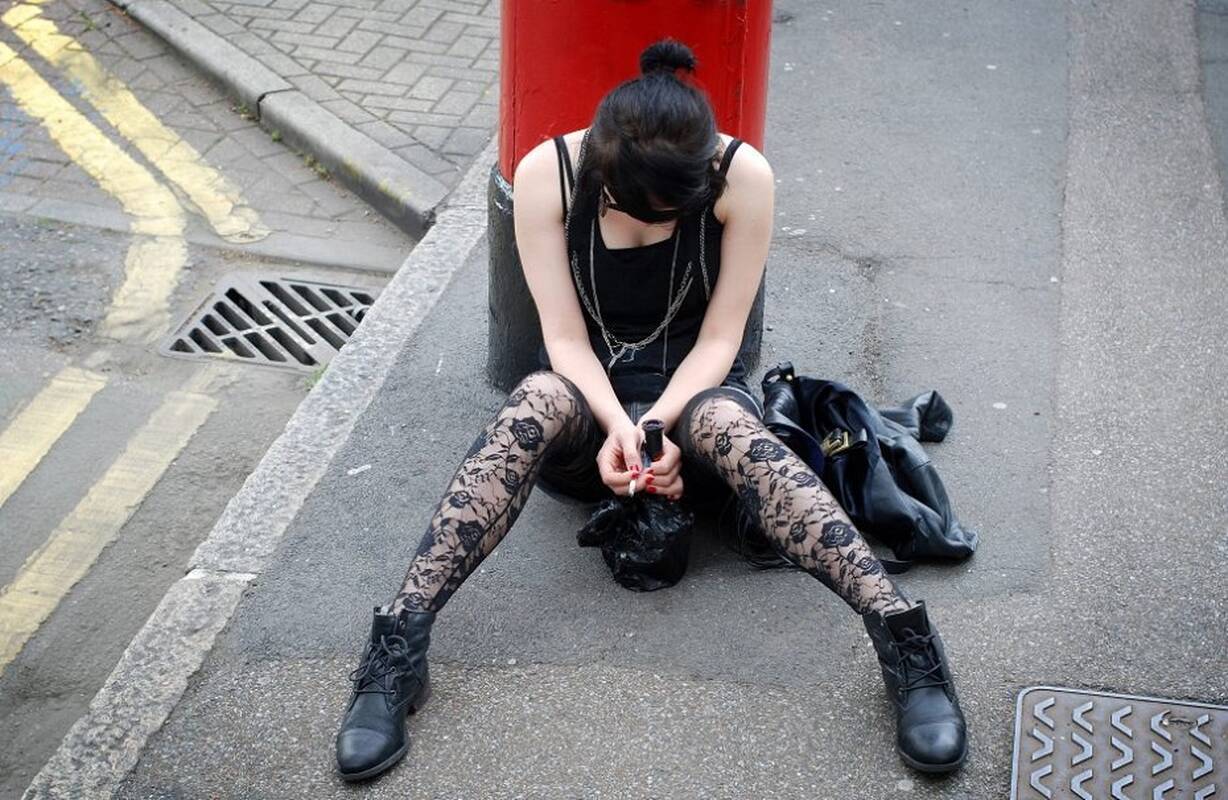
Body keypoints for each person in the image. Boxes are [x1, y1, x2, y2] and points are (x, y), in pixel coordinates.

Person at [334, 38, 968, 782]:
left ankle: (906, 643)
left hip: (695, 406)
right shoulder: (548, 174)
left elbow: (724, 338)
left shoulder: (743, 177)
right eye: (625, 207)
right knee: (533, 398)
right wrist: (618, 428)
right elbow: (564, 339)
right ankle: (397, 649)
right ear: (601, 172)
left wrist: (658, 427)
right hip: (589, 408)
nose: (643, 221)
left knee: (730, 424)